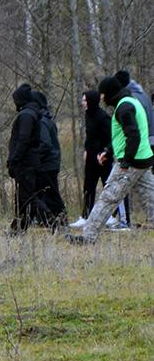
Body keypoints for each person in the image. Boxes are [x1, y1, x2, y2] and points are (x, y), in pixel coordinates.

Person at [67, 75, 154, 244]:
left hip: (131, 163)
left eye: (103, 94)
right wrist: (108, 150)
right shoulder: (132, 102)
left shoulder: (124, 108)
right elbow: (124, 135)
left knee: (108, 198)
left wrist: (125, 162)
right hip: (143, 160)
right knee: (151, 196)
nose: (101, 98)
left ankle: (87, 237)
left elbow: (133, 136)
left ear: (110, 93)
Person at [7, 83, 50, 233]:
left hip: (25, 162)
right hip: (28, 161)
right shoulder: (30, 113)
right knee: (23, 197)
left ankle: (53, 221)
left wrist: (14, 159)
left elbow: (23, 139)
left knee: (29, 197)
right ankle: (18, 228)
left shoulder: (26, 115)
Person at [30, 90, 66, 226]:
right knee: (42, 193)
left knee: (50, 194)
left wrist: (35, 156)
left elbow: (45, 143)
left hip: (47, 164)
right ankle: (43, 219)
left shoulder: (42, 122)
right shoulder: (48, 120)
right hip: (51, 162)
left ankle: (61, 218)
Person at [79, 89, 112, 218]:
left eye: (85, 100)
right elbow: (90, 137)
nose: (83, 103)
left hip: (103, 158)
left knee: (107, 187)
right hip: (91, 157)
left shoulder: (103, 117)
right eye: (83, 100)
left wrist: (105, 152)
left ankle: (110, 216)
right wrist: (86, 150)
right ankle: (86, 216)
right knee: (88, 187)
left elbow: (111, 138)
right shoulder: (88, 115)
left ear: (92, 101)